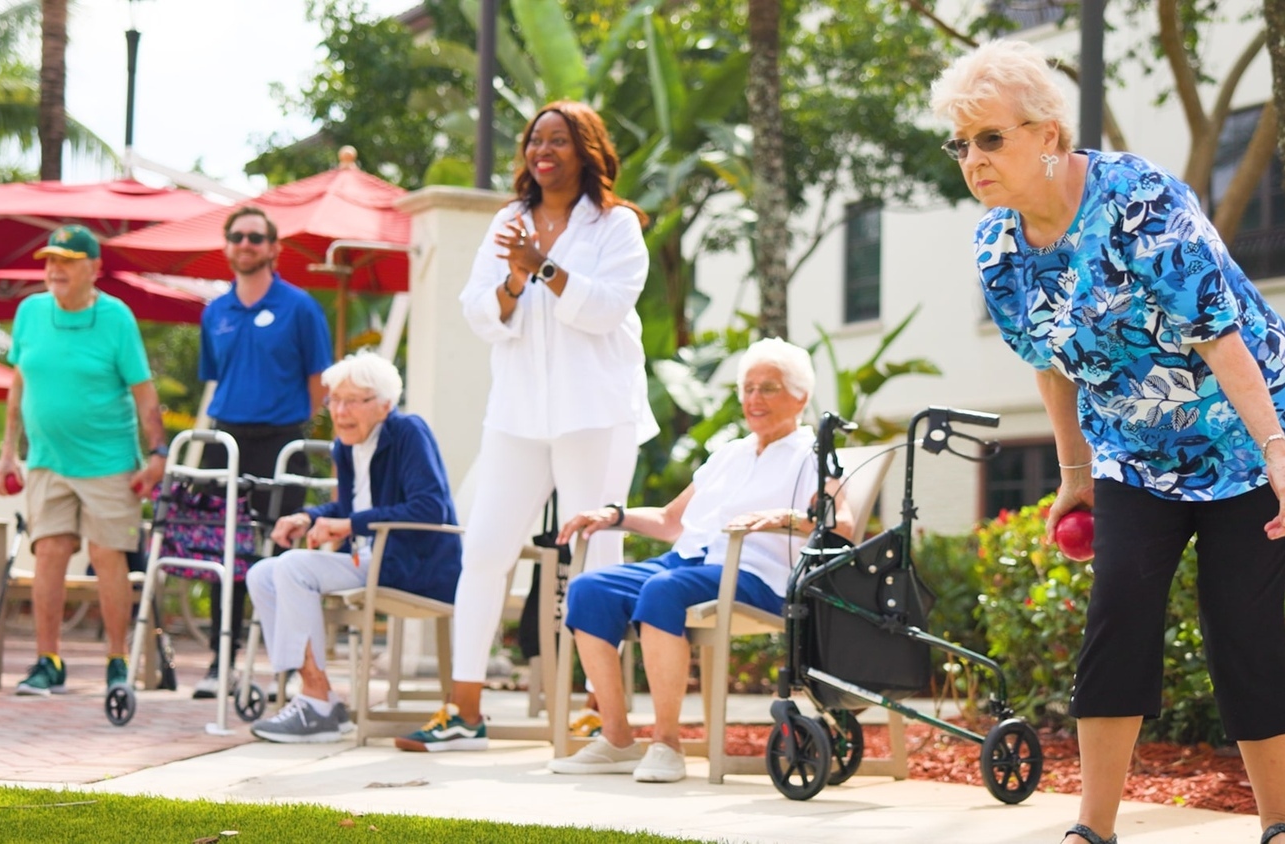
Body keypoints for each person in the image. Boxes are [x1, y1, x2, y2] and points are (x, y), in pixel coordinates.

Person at [930, 40, 1285, 844]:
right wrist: (1074, 472)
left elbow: (1220, 337)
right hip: (1137, 449)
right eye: (961, 143)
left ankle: (1281, 825)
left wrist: (1279, 456)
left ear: (1047, 135)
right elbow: (1052, 365)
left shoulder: (1138, 201)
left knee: (1238, 620)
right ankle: (1093, 830)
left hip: (1252, 428)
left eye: (990, 139)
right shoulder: (999, 250)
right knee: (1119, 606)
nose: (972, 160)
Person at [396, 101, 656, 752]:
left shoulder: (617, 226)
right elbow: (478, 314)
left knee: (595, 555)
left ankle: (602, 710)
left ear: (587, 150)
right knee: (483, 549)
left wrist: (545, 265)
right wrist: (513, 282)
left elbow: (603, 310)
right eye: (535, 139)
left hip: (595, 411)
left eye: (559, 140)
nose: (543, 150)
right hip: (517, 414)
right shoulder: (508, 222)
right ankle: (464, 712)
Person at [539, 338, 850, 782]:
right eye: (747, 388)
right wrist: (614, 514)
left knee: (662, 591)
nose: (753, 399)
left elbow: (843, 524)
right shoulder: (731, 453)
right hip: (691, 562)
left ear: (800, 396)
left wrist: (785, 517)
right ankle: (618, 741)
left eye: (768, 388)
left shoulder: (813, 456)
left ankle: (666, 743)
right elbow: (670, 521)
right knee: (590, 589)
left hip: (756, 573)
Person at [246, 351, 462, 742]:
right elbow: (351, 508)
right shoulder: (346, 446)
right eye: (334, 400)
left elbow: (430, 507)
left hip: (415, 567)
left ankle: (317, 705)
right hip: (371, 558)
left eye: (351, 401)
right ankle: (318, 695)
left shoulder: (408, 432)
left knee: (293, 568)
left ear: (384, 405)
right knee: (262, 573)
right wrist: (309, 517)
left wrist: (347, 524)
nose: (339, 411)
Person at [0, 224, 168, 695]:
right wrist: (9, 452)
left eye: (67, 261)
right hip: (47, 460)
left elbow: (143, 392)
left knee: (106, 554)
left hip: (110, 462)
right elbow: (18, 382)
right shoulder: (30, 312)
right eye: (51, 260)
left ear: (94, 268)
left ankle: (117, 660)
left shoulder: (116, 318)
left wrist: (158, 453)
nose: (54, 269)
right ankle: (48, 661)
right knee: (49, 552)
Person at [193, 206, 334, 700]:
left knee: (283, 556)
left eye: (256, 237)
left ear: (274, 248)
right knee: (223, 555)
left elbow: (320, 380)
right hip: (225, 441)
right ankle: (221, 664)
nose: (246, 244)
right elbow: (214, 377)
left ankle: (293, 670)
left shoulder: (300, 307)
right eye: (237, 236)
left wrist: (296, 426)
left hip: (283, 443)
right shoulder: (216, 312)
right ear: (227, 246)